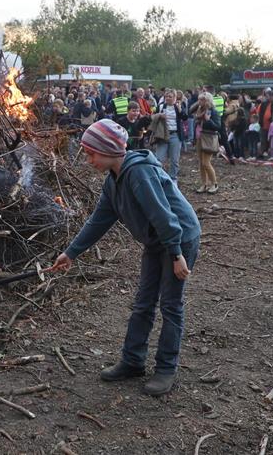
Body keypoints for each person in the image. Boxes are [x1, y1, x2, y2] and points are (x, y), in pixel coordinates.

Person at [48, 119, 201, 396]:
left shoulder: (139, 173)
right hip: (158, 239)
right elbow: (99, 221)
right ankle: (133, 361)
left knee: (170, 305)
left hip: (178, 238)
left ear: (108, 150)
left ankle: (166, 369)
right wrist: (71, 253)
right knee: (143, 302)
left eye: (91, 152)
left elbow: (164, 217)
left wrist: (177, 255)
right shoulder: (114, 180)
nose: (88, 158)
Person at [153, 89, 187, 182]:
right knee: (159, 158)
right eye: (166, 96)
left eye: (170, 97)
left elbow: (185, 117)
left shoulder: (179, 106)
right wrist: (159, 115)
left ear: (175, 98)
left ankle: (173, 178)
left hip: (175, 135)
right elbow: (153, 118)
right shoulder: (160, 107)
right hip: (163, 135)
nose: (167, 98)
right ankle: (159, 177)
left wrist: (180, 110)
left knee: (174, 160)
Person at [195, 96, 219, 193]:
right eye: (199, 99)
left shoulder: (213, 111)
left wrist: (209, 120)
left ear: (207, 101)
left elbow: (218, 126)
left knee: (206, 162)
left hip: (208, 139)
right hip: (199, 138)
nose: (199, 101)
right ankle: (204, 184)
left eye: (202, 100)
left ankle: (214, 183)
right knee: (201, 163)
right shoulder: (199, 111)